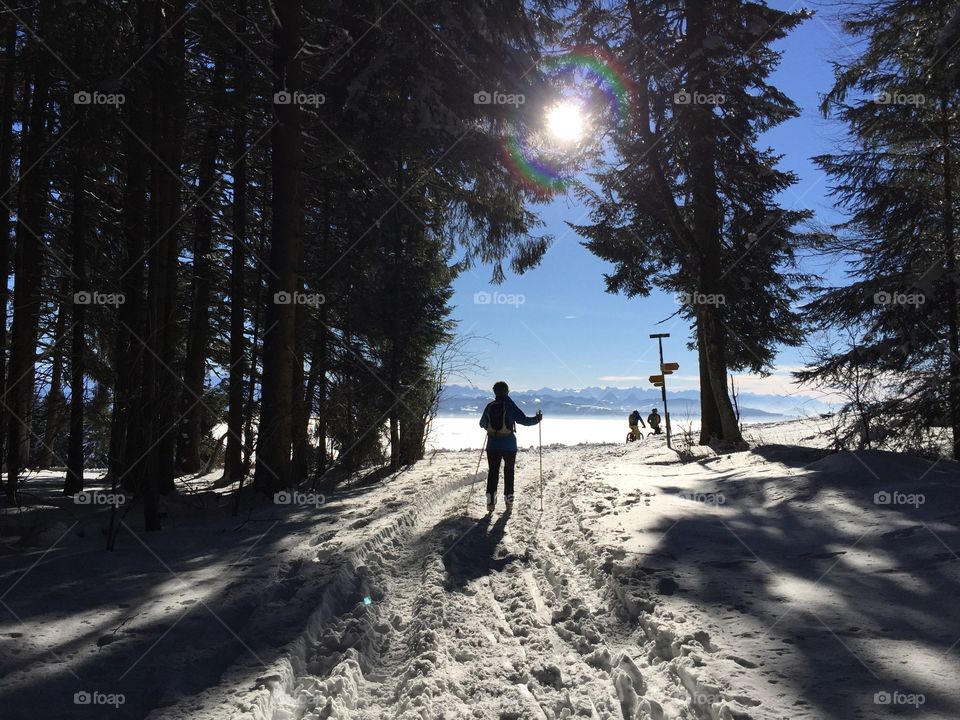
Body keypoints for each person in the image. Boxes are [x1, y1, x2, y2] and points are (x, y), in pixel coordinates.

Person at [479, 381, 542, 513]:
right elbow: (524, 420)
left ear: (495, 392)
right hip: (509, 446)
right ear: (507, 391)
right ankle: (509, 502)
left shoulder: (490, 406)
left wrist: (492, 430)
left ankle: (490, 502)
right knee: (509, 473)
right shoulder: (510, 406)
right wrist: (537, 419)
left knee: (493, 473)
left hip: (492, 445)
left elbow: (482, 424)